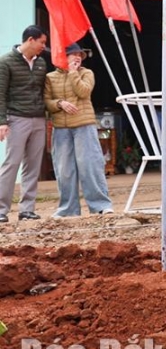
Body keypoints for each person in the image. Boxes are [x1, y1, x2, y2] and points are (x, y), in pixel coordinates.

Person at [44, 43, 113, 216]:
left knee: (90, 165)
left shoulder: (86, 73)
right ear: (63, 57)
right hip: (61, 128)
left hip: (84, 125)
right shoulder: (50, 77)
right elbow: (46, 102)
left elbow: (84, 92)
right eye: (72, 54)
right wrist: (59, 103)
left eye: (79, 54)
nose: (77, 57)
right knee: (64, 170)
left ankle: (100, 206)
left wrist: (73, 72)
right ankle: (68, 209)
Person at [0, 26, 49, 223]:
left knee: (33, 166)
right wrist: (2, 122)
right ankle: (1, 210)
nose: (43, 47)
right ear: (30, 40)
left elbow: (43, 92)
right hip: (16, 119)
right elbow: (0, 94)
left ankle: (27, 210)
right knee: (11, 164)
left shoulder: (41, 63)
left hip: (38, 119)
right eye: (42, 42)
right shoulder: (6, 62)